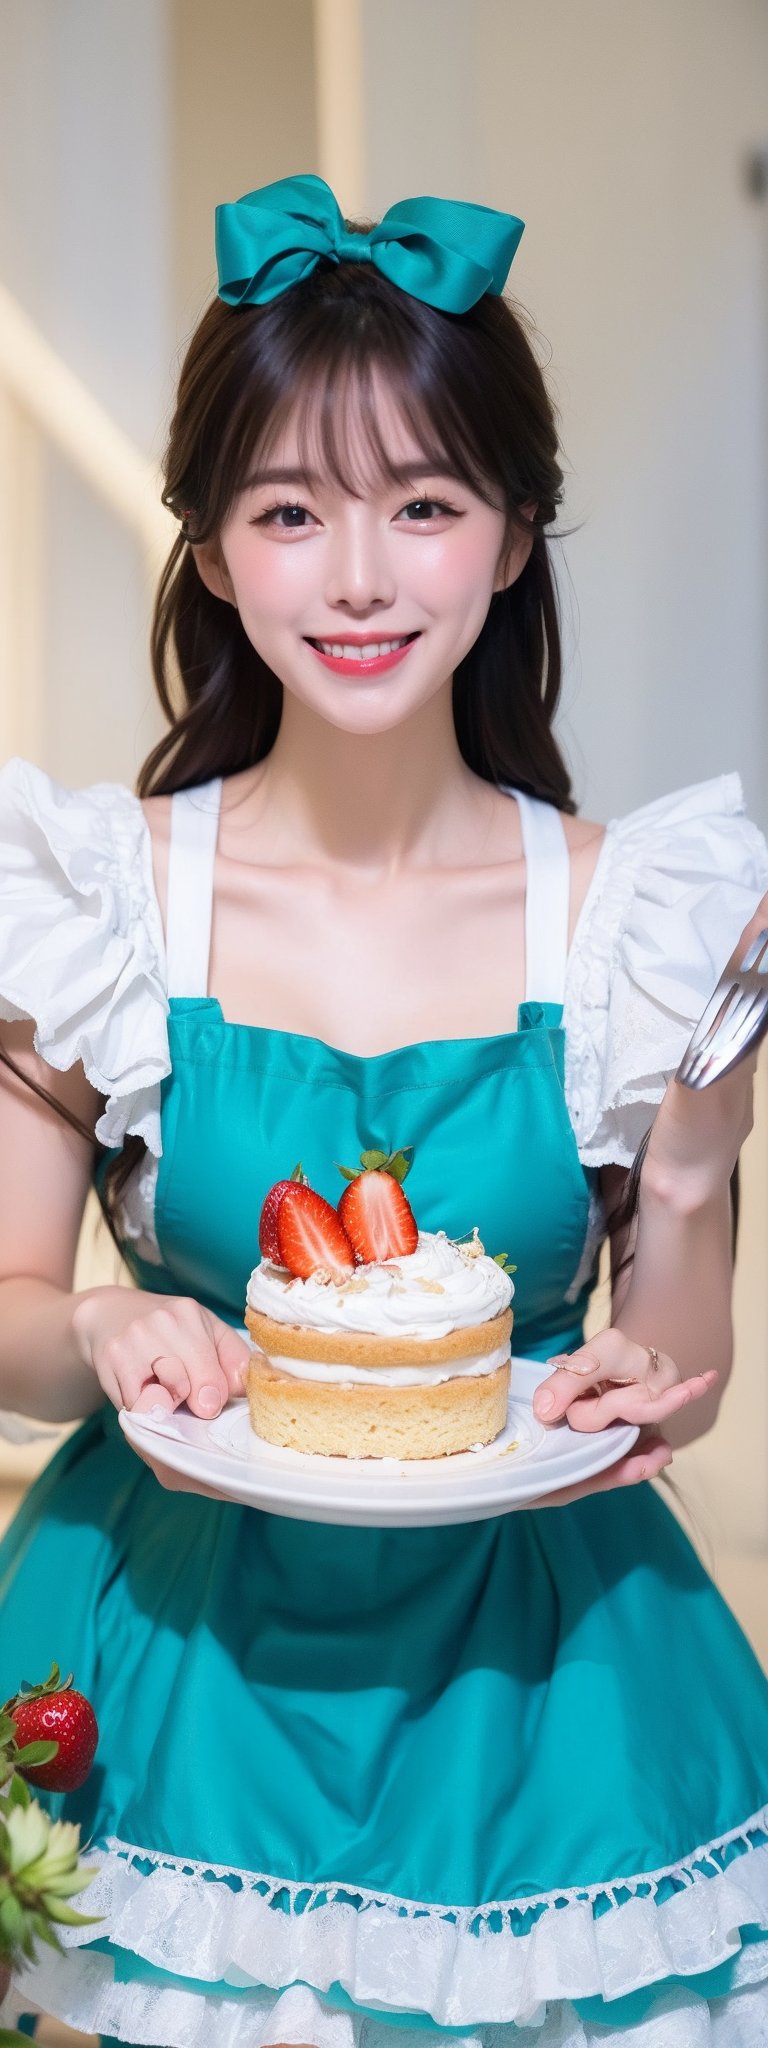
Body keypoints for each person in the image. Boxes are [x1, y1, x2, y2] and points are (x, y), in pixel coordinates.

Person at [0, 173, 767, 2048]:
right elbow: (6, 1315)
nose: (358, 577)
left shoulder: (632, 919)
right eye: (290, 512)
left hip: (546, 1683)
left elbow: (676, 1381)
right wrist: (98, 1319)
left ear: (512, 540)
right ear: (210, 548)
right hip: (164, 1658)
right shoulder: (103, 900)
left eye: (423, 505)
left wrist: (690, 1165)